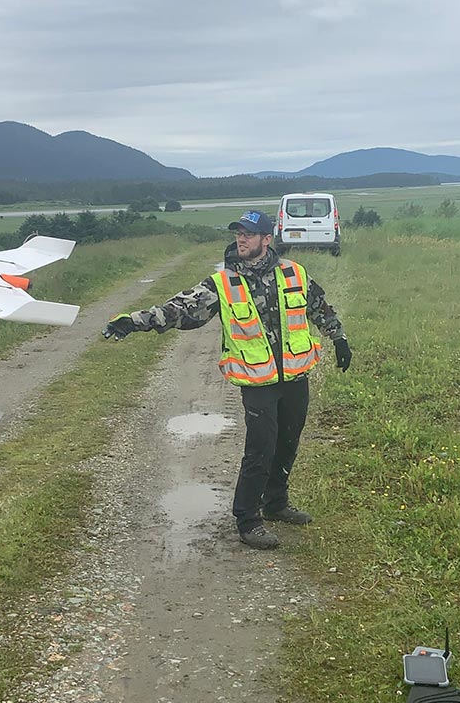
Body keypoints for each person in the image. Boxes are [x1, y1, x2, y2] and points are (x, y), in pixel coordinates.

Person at [102, 210, 352, 550]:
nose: (241, 238)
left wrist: (339, 338)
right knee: (260, 449)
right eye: (238, 233)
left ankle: (276, 503)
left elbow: (318, 306)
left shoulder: (293, 272)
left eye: (248, 233)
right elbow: (180, 309)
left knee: (288, 442)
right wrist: (134, 321)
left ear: (266, 239)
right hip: (258, 380)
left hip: (295, 376)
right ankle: (248, 519)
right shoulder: (223, 283)